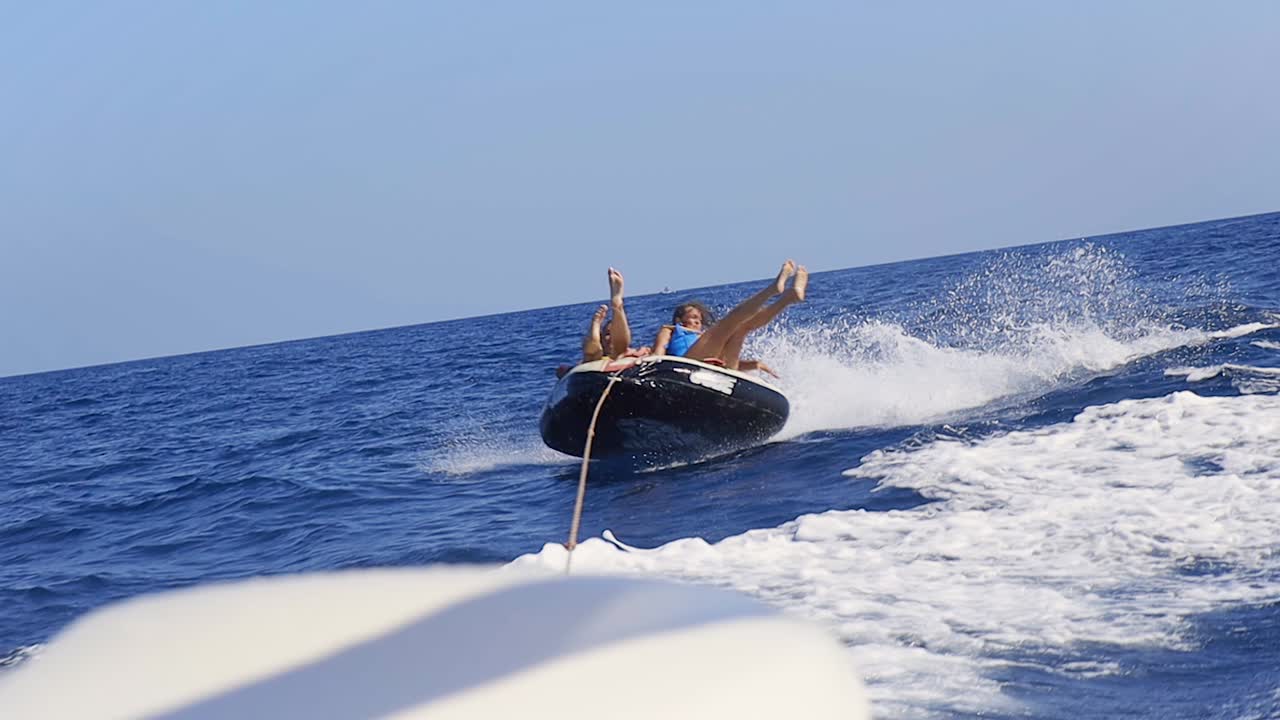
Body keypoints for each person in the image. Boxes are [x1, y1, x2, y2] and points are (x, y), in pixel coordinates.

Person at [652, 260, 806, 375]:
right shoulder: (671, 331)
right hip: (687, 365)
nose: (698, 321)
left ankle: (788, 298)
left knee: (741, 328)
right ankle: (772, 290)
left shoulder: (705, 338)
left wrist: (754, 364)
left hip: (720, 370)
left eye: (699, 318)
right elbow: (658, 354)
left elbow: (723, 359)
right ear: (680, 320)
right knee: (729, 323)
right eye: (692, 317)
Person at [559, 268, 649, 377]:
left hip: (623, 362)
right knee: (593, 354)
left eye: (612, 334)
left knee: (620, 349)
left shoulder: (634, 352)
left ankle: (617, 305)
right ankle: (595, 325)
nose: (610, 337)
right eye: (607, 334)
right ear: (601, 339)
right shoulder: (589, 360)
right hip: (595, 365)